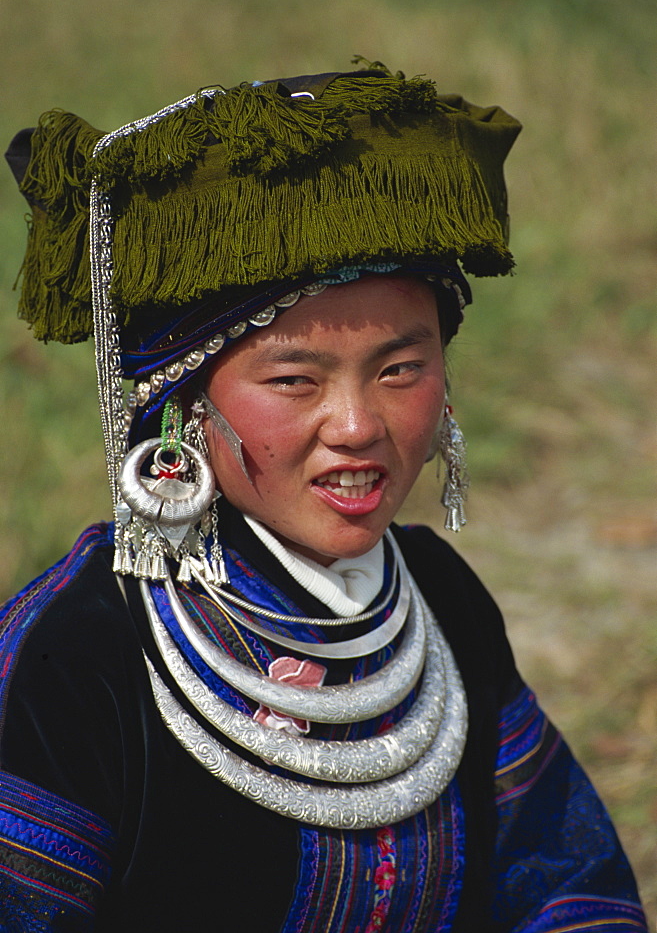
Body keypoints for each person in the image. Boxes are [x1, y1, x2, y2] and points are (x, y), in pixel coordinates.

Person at [1, 63, 646, 932]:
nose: (356, 425)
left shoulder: (439, 599)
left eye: (399, 370)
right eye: (295, 379)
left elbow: (564, 879)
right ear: (184, 409)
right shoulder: (78, 655)